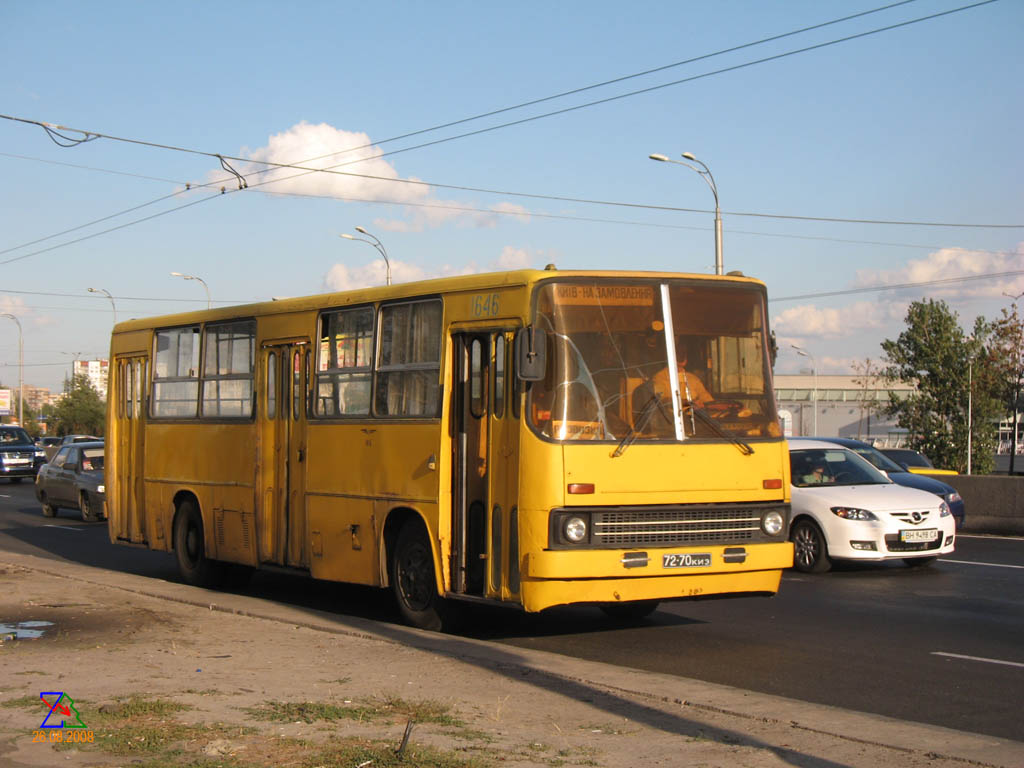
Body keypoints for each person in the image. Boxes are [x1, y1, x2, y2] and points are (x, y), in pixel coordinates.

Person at [651, 339, 714, 409]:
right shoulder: (659, 378)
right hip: (672, 419)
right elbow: (661, 400)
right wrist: (686, 402)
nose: (680, 355)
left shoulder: (693, 379)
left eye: (683, 353)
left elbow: (706, 399)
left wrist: (715, 405)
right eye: (677, 353)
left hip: (694, 417)